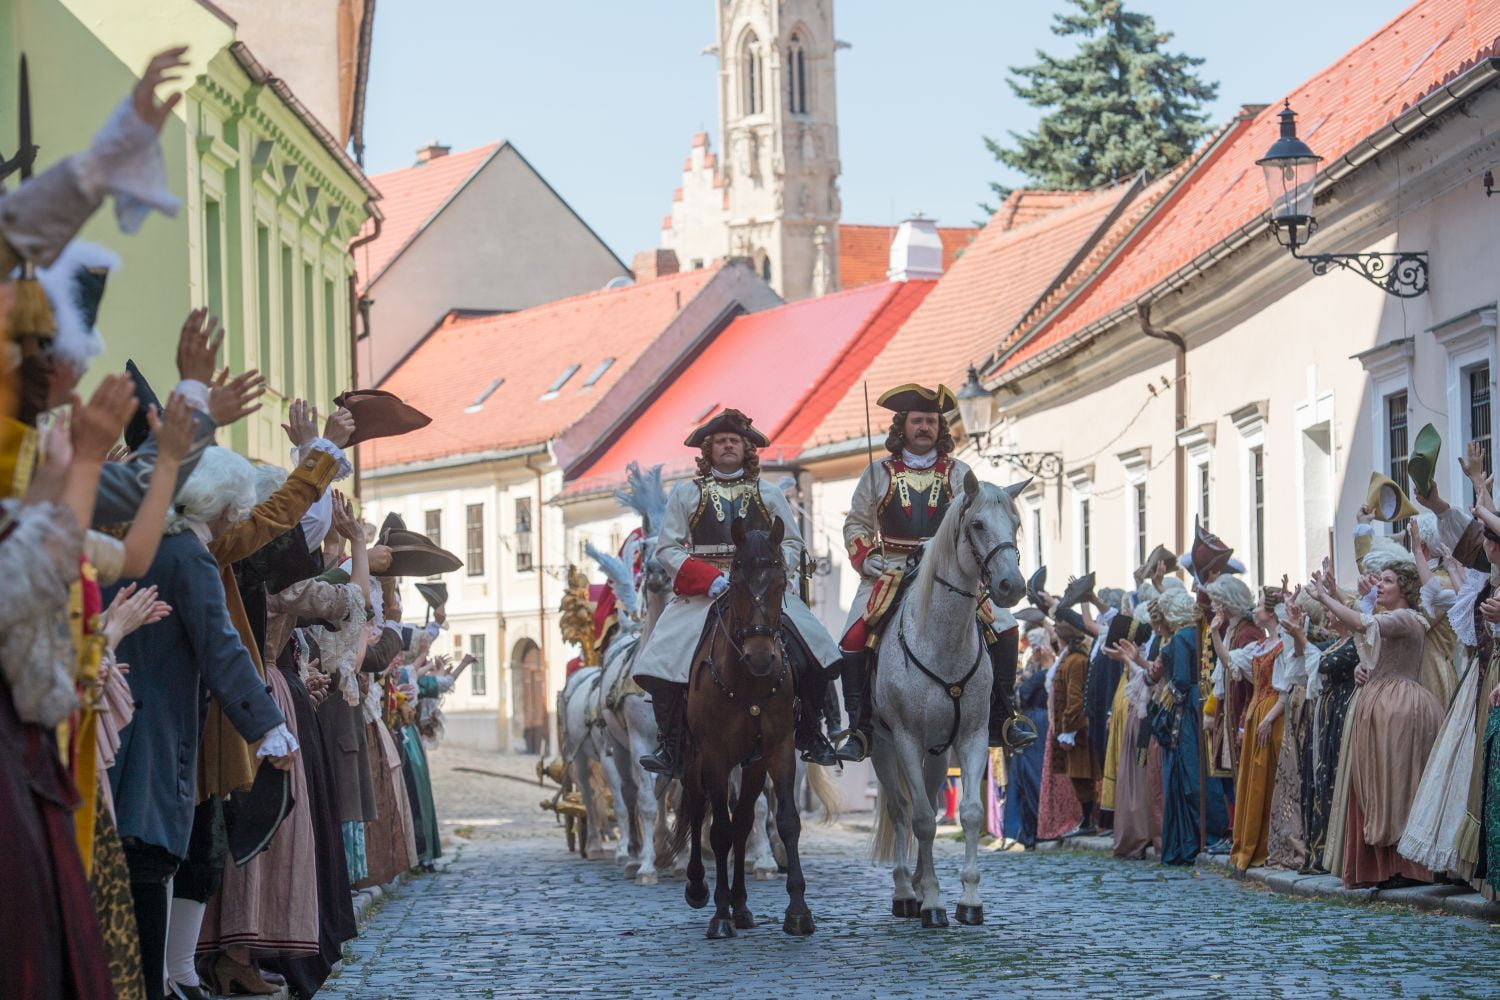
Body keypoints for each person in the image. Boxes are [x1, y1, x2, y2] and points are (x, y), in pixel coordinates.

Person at [634, 408, 841, 774]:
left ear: (746, 448)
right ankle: (670, 745)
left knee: (817, 647)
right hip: (705, 592)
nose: (728, 446)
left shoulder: (769, 493)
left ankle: (812, 732)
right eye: (721, 441)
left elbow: (792, 543)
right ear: (708, 449)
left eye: (735, 440)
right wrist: (706, 579)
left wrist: (771, 575)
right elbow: (667, 548)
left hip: (761, 589)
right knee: (661, 657)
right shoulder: (687, 494)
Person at [836, 383, 1032, 761]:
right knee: (853, 637)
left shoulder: (960, 473)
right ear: (903, 425)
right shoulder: (878, 473)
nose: (925, 427)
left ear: (940, 427)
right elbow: (856, 524)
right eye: (917, 421)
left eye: (931, 421)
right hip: (892, 569)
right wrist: (864, 555)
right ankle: (859, 728)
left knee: (1006, 627)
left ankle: (1004, 716)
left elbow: (978, 522)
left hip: (948, 571)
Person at [1309, 563, 1442, 888]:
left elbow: (1361, 621)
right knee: (1379, 786)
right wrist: (1364, 670)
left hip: (1400, 708)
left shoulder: (1408, 618)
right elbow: (1365, 633)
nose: (1380, 585)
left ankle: (1406, 867)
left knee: (1398, 785)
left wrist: (1325, 597)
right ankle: (1385, 866)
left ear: (1405, 588)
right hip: (1382, 706)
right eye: (1379, 580)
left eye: (1388, 581)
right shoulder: (1391, 619)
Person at [1051, 608, 1099, 835]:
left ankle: (1088, 821)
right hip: (1071, 727)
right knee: (1076, 775)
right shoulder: (1069, 659)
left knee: (1082, 775)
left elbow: (1075, 698)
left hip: (1077, 729)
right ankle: (1086, 819)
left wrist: (1068, 728)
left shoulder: (1076, 661)